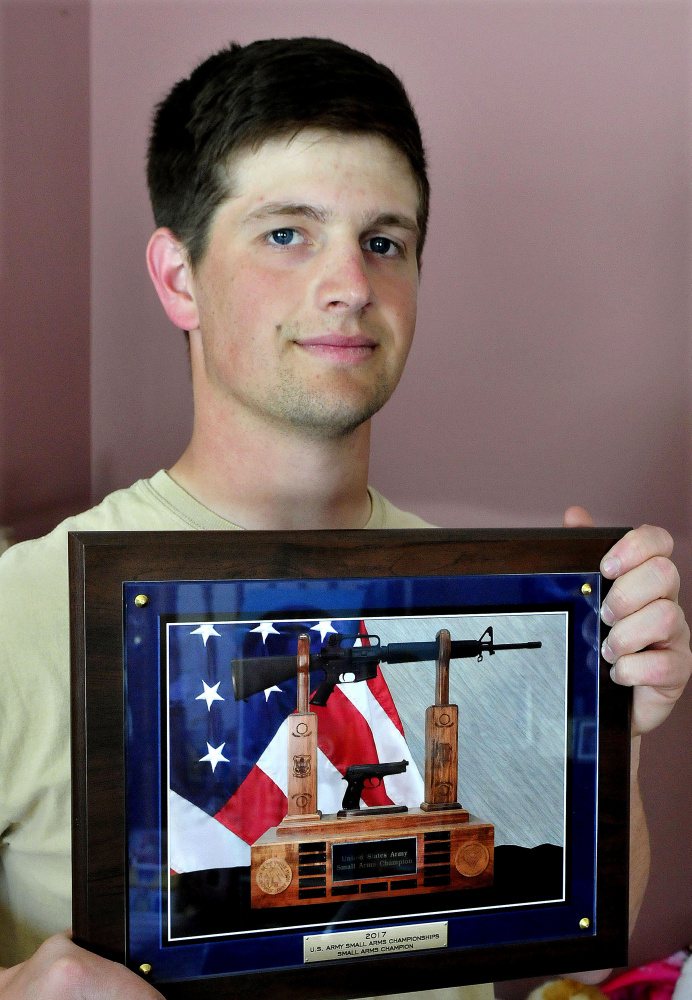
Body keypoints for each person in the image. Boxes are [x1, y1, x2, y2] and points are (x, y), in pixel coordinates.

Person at [0, 36, 689, 1000]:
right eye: (287, 233)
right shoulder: (15, 611)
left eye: (384, 241)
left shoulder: (500, 604)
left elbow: (579, 943)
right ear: (177, 277)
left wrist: (619, 721)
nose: (352, 286)